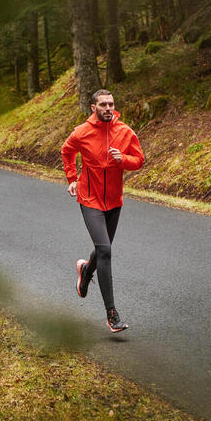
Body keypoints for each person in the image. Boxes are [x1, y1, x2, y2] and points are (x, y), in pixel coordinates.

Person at [61, 88, 145, 332]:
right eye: (103, 105)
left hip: (114, 200)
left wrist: (123, 160)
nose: (108, 108)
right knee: (106, 250)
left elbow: (139, 159)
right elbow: (67, 151)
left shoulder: (125, 132)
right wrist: (72, 178)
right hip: (89, 198)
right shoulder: (82, 132)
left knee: (102, 248)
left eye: (111, 104)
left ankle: (86, 270)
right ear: (93, 108)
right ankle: (112, 314)